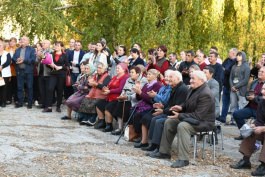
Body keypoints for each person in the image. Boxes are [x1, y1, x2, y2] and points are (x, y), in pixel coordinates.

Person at [149, 70, 215, 169]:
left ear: (201, 80)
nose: (190, 81)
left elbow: (198, 116)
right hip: (191, 118)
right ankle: (164, 152)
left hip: (203, 122)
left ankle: (183, 159)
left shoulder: (206, 94)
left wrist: (180, 116)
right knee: (169, 121)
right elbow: (187, 103)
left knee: (183, 126)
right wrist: (180, 107)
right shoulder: (193, 89)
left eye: (193, 79)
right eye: (191, 78)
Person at [140, 70, 188, 152]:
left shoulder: (182, 89)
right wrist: (162, 106)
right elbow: (170, 104)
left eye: (170, 77)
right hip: (169, 111)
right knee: (154, 119)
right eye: (167, 77)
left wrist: (163, 110)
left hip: (177, 114)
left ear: (177, 78)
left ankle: (158, 147)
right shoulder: (175, 87)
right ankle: (154, 144)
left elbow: (176, 107)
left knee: (159, 121)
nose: (168, 79)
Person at [230, 84, 265, 176]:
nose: (262, 92)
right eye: (263, 89)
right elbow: (260, 120)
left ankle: (263, 165)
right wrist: (254, 125)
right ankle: (246, 160)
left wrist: (262, 128)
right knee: (251, 132)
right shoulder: (262, 102)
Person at [110, 66, 148, 135]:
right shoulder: (128, 79)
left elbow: (137, 93)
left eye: (132, 72)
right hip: (125, 98)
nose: (130, 74)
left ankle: (125, 128)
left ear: (138, 74)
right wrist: (121, 96)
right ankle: (120, 128)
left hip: (136, 100)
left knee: (127, 105)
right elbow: (124, 90)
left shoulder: (143, 80)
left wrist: (127, 97)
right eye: (130, 72)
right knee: (119, 104)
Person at [94, 63, 129, 132]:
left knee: (108, 108)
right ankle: (102, 121)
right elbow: (109, 85)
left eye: (119, 68)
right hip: (109, 96)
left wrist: (109, 91)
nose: (117, 69)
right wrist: (105, 88)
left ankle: (109, 125)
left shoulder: (125, 77)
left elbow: (120, 89)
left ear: (124, 69)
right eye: (116, 68)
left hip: (117, 98)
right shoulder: (115, 77)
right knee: (98, 104)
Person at [233, 66, 265, 140]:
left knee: (257, 123)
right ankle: (245, 133)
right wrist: (247, 96)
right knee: (237, 114)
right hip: (251, 107)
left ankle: (256, 138)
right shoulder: (254, 82)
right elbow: (248, 93)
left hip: (261, 111)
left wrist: (254, 98)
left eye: (262, 72)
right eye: (259, 71)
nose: (259, 73)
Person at [130, 69, 162, 140]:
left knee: (139, 114)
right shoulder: (146, 84)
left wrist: (140, 93)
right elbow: (139, 98)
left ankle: (142, 137)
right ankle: (138, 134)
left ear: (155, 76)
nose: (147, 75)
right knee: (132, 112)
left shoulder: (157, 85)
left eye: (150, 74)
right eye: (147, 74)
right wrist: (138, 92)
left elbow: (151, 99)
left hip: (150, 106)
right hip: (142, 104)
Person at [12, 36, 36, 108]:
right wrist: (17, 59)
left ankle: (29, 103)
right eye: (21, 39)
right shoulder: (17, 50)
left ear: (28, 42)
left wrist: (24, 60)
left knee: (29, 87)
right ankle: (20, 102)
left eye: (24, 39)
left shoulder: (31, 50)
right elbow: (13, 58)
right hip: (19, 71)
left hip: (28, 72)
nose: (22, 40)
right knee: (19, 87)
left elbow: (33, 60)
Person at [229, 51, 250, 125]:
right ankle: (232, 120)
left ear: (243, 57)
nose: (237, 56)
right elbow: (230, 78)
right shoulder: (234, 66)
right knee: (233, 105)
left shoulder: (246, 67)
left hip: (241, 90)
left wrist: (236, 86)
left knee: (242, 105)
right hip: (233, 89)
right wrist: (232, 86)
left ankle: (242, 121)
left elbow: (245, 80)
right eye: (237, 55)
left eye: (239, 55)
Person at [218, 48, 238, 123]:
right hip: (225, 84)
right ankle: (223, 118)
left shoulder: (236, 62)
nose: (228, 53)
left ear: (233, 53)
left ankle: (234, 119)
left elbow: (231, 72)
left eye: (229, 52)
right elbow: (222, 68)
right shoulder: (227, 60)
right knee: (225, 103)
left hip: (233, 86)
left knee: (234, 104)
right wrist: (225, 70)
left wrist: (225, 70)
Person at [49, 41, 69, 112]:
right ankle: (49, 106)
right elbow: (47, 63)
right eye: (55, 45)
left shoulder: (64, 55)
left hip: (61, 75)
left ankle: (58, 106)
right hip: (53, 74)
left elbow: (67, 66)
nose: (56, 47)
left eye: (57, 45)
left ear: (61, 47)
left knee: (60, 90)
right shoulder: (51, 54)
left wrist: (60, 67)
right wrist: (51, 65)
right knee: (50, 88)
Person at [36, 40, 53, 112]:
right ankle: (43, 103)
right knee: (42, 90)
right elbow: (37, 61)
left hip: (48, 74)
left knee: (47, 90)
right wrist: (38, 56)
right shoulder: (41, 51)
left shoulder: (52, 51)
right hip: (40, 73)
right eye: (42, 43)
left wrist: (41, 55)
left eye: (44, 43)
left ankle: (48, 106)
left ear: (49, 44)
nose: (42, 44)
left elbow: (48, 61)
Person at [5, 37, 18, 104]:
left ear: (16, 43)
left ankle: (16, 99)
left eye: (13, 41)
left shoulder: (17, 49)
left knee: (15, 85)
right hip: (7, 70)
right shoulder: (6, 49)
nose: (12, 43)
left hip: (15, 70)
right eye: (11, 41)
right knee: (8, 85)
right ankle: (8, 99)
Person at [0, 41, 12, 107]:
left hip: (5, 73)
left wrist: (2, 66)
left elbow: (8, 61)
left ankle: (3, 102)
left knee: (4, 88)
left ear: (3, 46)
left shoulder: (7, 53)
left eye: (0, 45)